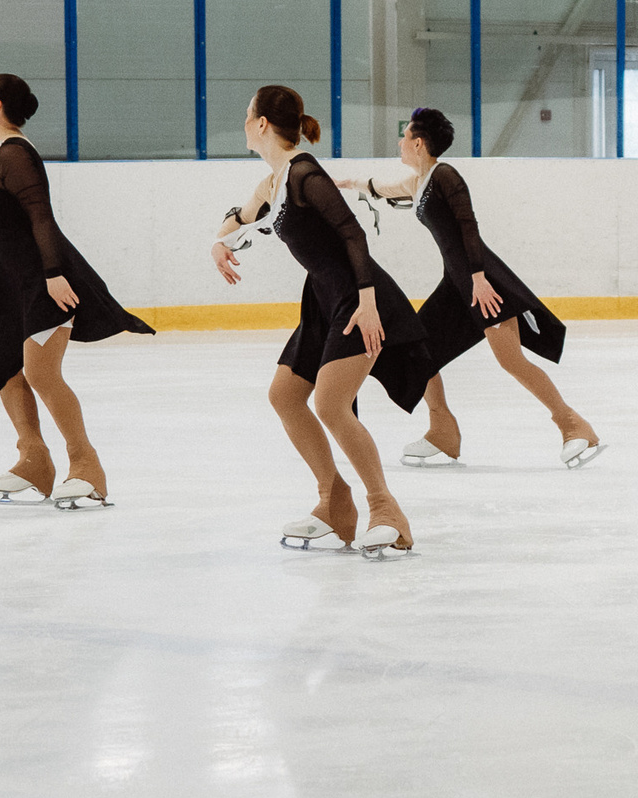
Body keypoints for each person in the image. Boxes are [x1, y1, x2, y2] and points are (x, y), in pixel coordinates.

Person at [211, 85, 434, 558]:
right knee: (286, 395)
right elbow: (242, 218)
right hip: (323, 298)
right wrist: (219, 242)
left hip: (359, 297)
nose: (244, 122)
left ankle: (386, 510)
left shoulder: (306, 174)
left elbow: (352, 233)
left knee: (332, 404)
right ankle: (334, 500)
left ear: (262, 125)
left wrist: (369, 301)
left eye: (247, 114)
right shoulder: (274, 181)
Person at [339, 107, 600, 472]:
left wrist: (478, 277)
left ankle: (574, 425)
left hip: (482, 283)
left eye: (404, 137)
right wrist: (349, 184)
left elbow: (468, 224)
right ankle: (442, 431)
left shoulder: (445, 175)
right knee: (419, 350)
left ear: (418, 142)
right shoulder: (421, 181)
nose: (399, 143)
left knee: (511, 360)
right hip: (457, 286)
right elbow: (382, 188)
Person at [0, 73, 152, 508]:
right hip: (9, 281)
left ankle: (87, 467)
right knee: (4, 366)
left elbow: (41, 215)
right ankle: (34, 462)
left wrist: (54, 273)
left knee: (41, 373)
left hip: (43, 278)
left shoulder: (17, 154)